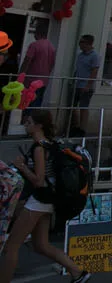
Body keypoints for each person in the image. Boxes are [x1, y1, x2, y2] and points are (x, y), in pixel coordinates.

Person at [0, 110, 88, 283]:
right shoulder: (48, 144)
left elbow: (39, 181)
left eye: (29, 123)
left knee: (11, 247)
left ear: (38, 125)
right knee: (41, 245)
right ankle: (77, 272)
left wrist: (22, 167)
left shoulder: (39, 148)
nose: (26, 126)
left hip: (40, 200)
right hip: (48, 200)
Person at [17, 25, 54, 109]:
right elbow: (52, 64)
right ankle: (32, 120)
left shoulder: (34, 45)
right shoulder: (51, 47)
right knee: (37, 104)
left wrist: (20, 75)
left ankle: (24, 120)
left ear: (38, 34)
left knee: (26, 102)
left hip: (31, 80)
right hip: (43, 81)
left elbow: (27, 60)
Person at [71, 36, 99, 136]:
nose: (80, 44)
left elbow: (94, 71)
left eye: (82, 42)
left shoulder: (94, 56)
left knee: (83, 107)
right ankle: (74, 127)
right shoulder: (80, 55)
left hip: (86, 86)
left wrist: (88, 85)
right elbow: (78, 68)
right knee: (72, 107)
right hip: (77, 84)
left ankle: (82, 129)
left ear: (88, 43)